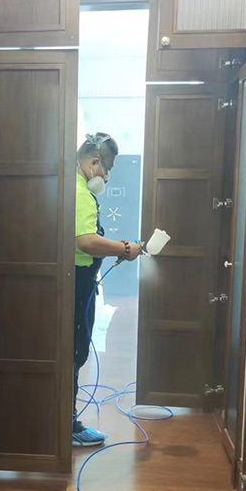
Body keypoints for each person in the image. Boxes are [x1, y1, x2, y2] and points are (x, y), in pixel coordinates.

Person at [73, 133, 142, 447]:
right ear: (93, 163)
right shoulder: (79, 192)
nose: (108, 176)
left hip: (80, 283)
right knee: (73, 354)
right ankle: (68, 427)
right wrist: (124, 248)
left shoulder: (78, 188)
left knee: (74, 353)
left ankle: (66, 423)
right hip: (75, 285)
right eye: (107, 168)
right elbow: (85, 241)